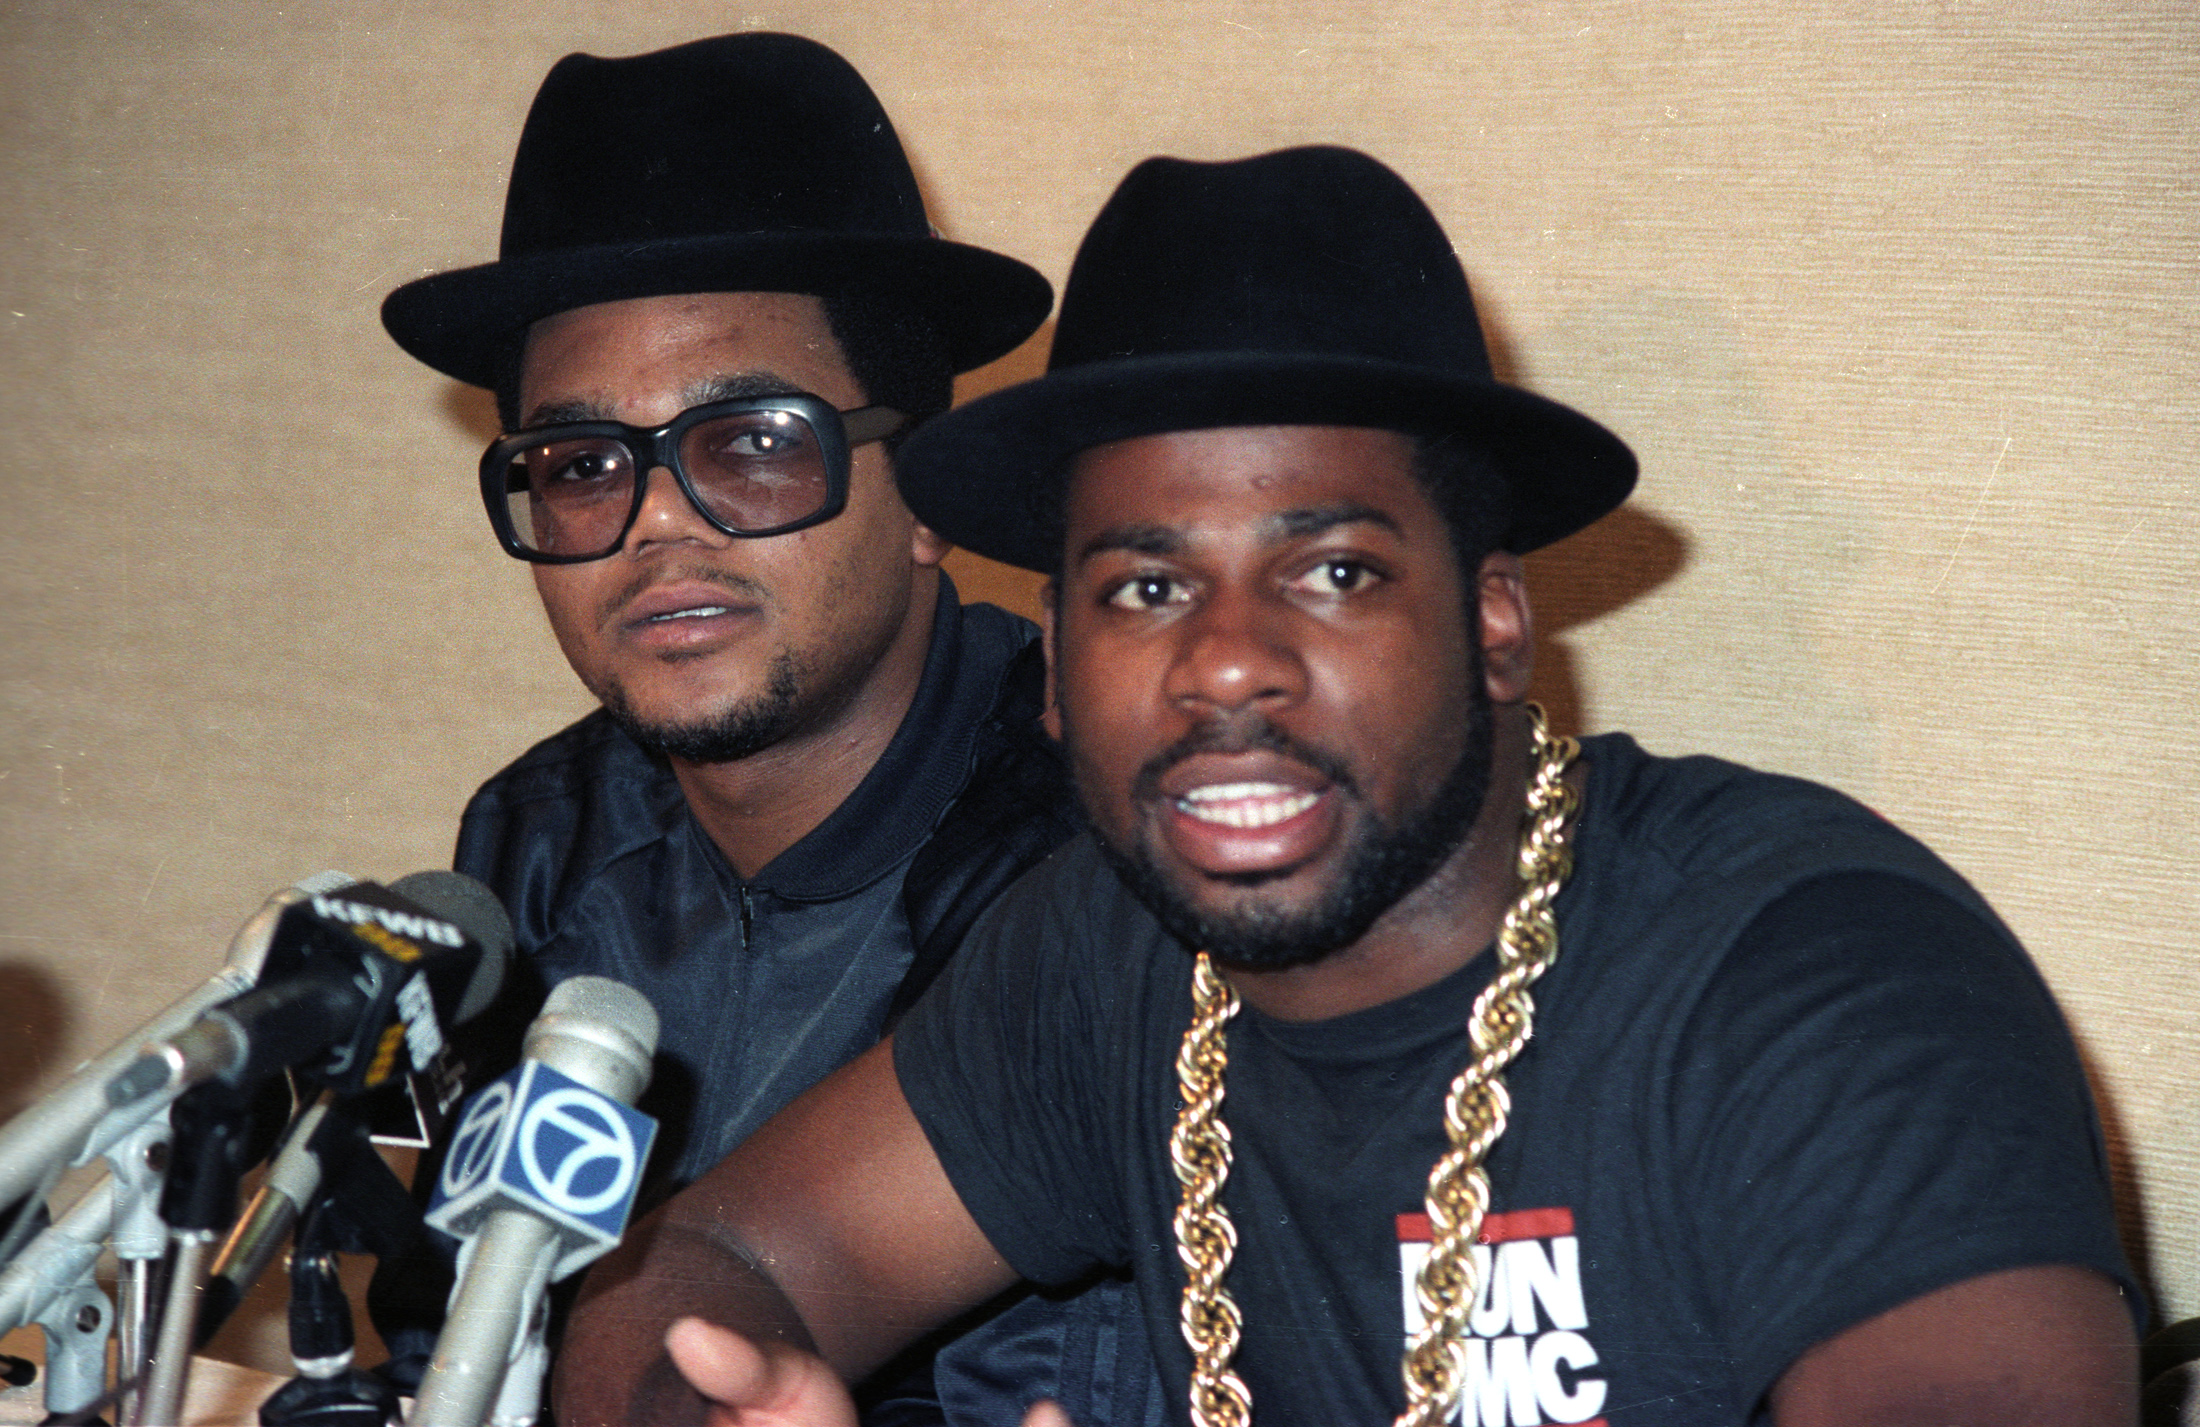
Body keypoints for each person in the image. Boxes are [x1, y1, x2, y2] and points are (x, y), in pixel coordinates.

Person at [552, 145, 2145, 1426]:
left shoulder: (1822, 976)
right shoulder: (1100, 960)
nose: (1225, 666)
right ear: (1054, 662)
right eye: (1145, 589)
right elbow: (707, 1262)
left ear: (1496, 620)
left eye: (1329, 569)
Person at [369, 33, 1166, 1425]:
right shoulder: (536, 846)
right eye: (580, 466)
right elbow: (440, 1342)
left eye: (750, 442)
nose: (657, 523)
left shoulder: (1098, 860)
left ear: (927, 496)